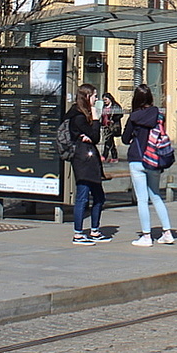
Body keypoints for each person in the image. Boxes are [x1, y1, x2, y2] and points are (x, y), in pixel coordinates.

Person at [122, 83, 175, 247]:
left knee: (142, 199)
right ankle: (167, 232)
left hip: (137, 159)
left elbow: (125, 139)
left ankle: (146, 236)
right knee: (156, 195)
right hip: (154, 159)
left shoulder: (134, 116)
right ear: (150, 98)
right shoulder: (158, 114)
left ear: (136, 99)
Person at [66, 83, 111, 245]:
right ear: (86, 97)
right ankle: (78, 234)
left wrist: (90, 132)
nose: (97, 99)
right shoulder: (78, 116)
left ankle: (95, 230)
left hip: (90, 159)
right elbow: (95, 136)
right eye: (94, 96)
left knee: (99, 197)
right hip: (83, 160)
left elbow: (91, 136)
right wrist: (96, 119)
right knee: (82, 197)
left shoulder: (82, 114)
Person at [99, 92, 122, 163]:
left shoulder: (115, 106)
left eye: (106, 99)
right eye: (103, 100)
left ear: (110, 99)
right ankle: (114, 157)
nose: (105, 101)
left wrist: (113, 120)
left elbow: (120, 114)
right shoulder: (104, 106)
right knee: (110, 141)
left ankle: (104, 156)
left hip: (113, 126)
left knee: (108, 140)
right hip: (106, 126)